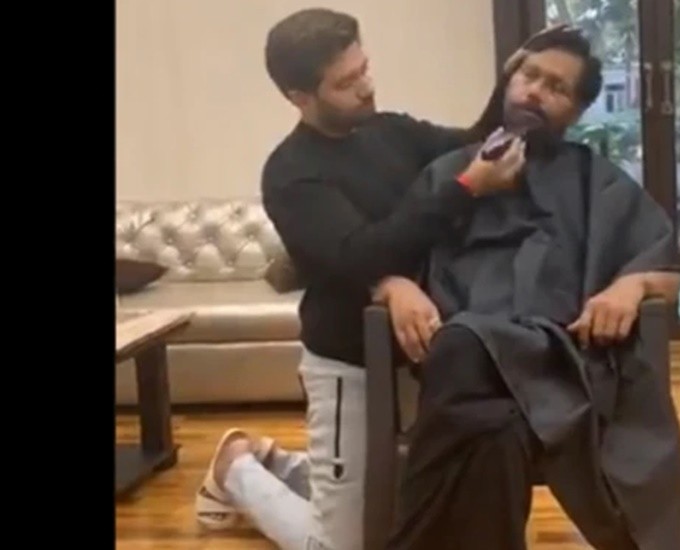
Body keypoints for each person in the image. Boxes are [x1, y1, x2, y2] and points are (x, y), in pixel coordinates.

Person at [193, 7, 529, 550]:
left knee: (403, 499)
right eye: (346, 82)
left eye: (364, 68)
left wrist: (512, 85)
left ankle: (287, 465)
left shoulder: (389, 130)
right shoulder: (291, 174)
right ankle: (237, 469)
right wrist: (464, 190)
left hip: (419, 351)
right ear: (300, 97)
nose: (366, 86)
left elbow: (470, 142)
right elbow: (358, 253)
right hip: (346, 363)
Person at [376, 24, 680, 550]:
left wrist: (633, 286)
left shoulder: (597, 181)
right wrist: (393, 285)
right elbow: (385, 250)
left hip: (557, 358)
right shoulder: (451, 171)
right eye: (529, 75)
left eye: (557, 87)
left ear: (577, 110)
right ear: (510, 79)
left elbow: (668, 271)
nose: (535, 92)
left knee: (463, 343)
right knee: (500, 437)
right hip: (459, 355)